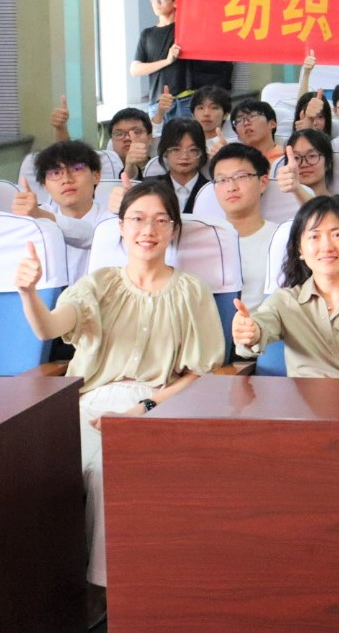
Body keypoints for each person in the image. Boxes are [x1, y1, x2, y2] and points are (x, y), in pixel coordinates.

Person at [14, 180, 223, 608]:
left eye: (161, 220)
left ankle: (105, 597)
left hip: (159, 405)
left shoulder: (191, 290)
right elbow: (49, 328)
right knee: (33, 467)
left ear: (173, 229)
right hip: (88, 400)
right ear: (122, 227)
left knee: (109, 470)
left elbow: (201, 374)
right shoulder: (98, 284)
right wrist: (28, 293)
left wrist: (144, 407)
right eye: (138, 219)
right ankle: (39, 596)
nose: (149, 229)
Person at [232, 195, 339, 379]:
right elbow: (262, 325)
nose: (327, 246)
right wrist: (249, 332)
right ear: (300, 248)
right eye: (314, 236)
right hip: (301, 397)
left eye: (337, 235)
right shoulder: (285, 300)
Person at [12, 140, 116, 280]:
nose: (66, 179)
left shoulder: (111, 219)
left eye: (77, 169)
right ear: (44, 185)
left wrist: (41, 215)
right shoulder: (35, 218)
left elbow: (92, 236)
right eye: (55, 173)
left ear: (96, 176)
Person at [208, 143, 277, 310]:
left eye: (240, 177)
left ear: (263, 182)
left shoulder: (280, 238)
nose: (231, 187)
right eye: (222, 180)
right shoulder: (204, 241)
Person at [129, 0, 187, 115]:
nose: (157, 2)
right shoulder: (147, 34)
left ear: (176, 2)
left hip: (185, 100)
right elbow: (135, 69)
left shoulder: (185, 30)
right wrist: (167, 61)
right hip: (157, 101)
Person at [152, 118, 210, 213]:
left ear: (201, 152)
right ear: (165, 152)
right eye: (176, 149)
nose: (184, 156)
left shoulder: (212, 190)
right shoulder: (151, 188)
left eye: (192, 150)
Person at [279, 129, 336, 204]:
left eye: (312, 156)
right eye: (296, 158)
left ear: (328, 162)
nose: (304, 164)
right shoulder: (280, 205)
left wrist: (298, 189)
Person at [231, 100, 283, 164]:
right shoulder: (233, 163)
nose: (246, 123)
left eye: (252, 116)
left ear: (272, 124)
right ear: (238, 136)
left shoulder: (287, 157)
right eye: (239, 120)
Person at [110, 107, 154, 179]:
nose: (127, 138)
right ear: (112, 140)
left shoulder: (163, 170)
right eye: (119, 134)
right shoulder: (105, 174)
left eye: (136, 132)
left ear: (150, 138)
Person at [190, 86, 233, 155]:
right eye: (201, 108)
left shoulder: (234, 143)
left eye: (214, 108)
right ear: (193, 115)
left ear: (225, 114)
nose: (206, 113)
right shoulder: (186, 143)